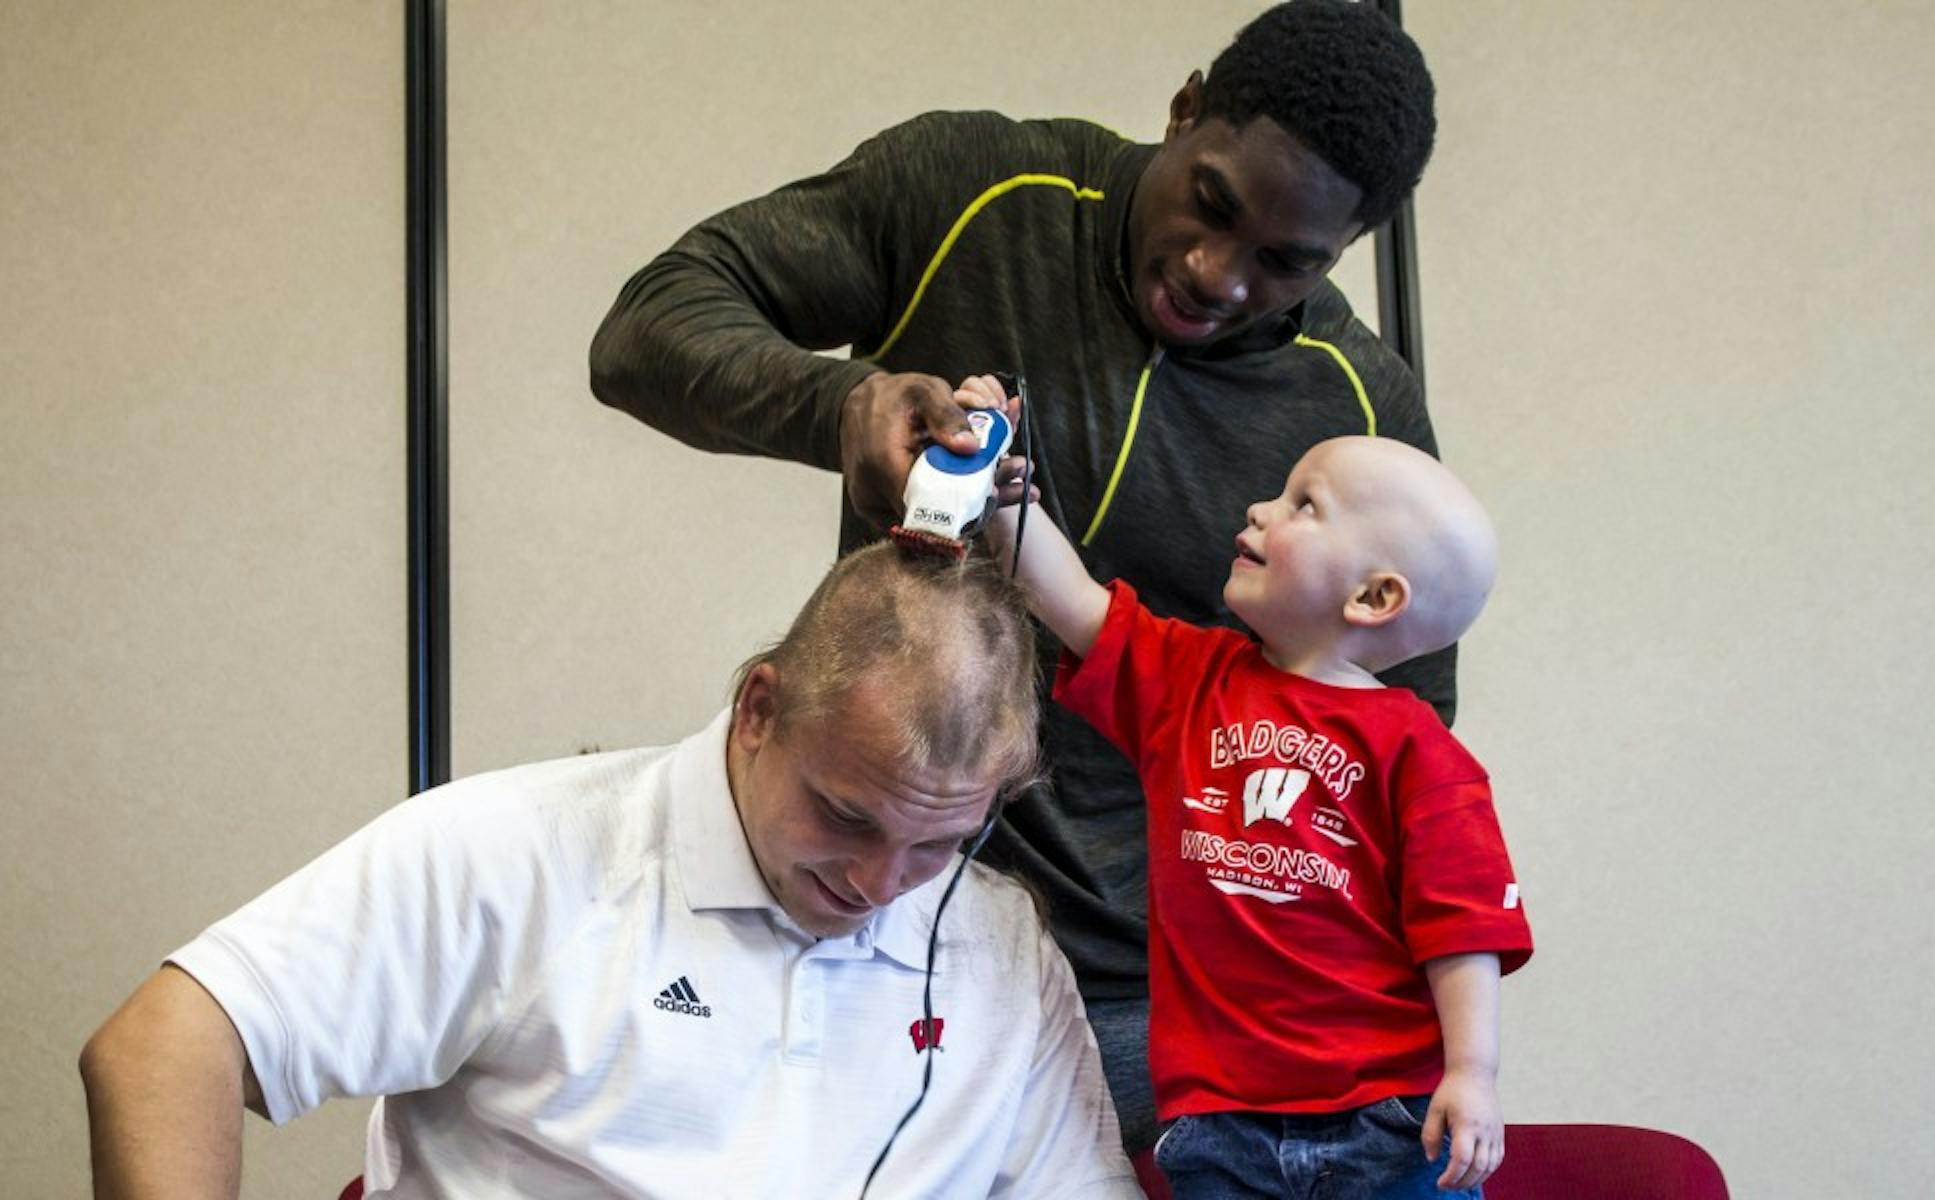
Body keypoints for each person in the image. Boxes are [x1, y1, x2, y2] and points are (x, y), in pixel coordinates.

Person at [590, 0, 1445, 1150]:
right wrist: (842, 409)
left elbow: (1398, 760)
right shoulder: (977, 194)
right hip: (857, 917)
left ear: (1347, 249)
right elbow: (644, 330)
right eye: (1209, 205)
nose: (1211, 274)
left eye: (1283, 262)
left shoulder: (1357, 413)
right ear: (1185, 108)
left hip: (1141, 1002)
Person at [78, 544, 1139, 1199]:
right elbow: (163, 1045)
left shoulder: (999, 947)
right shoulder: (527, 851)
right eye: (844, 815)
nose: (876, 881)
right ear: (759, 711)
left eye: (937, 843)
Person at [967, 369, 1531, 1197]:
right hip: (1217, 1122)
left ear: (1375, 597)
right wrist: (998, 492)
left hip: (1389, 1115)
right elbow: (1072, 602)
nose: (1262, 509)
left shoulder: (1421, 753)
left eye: (1305, 504)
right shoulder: (1186, 680)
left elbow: (1462, 930)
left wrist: (1473, 1075)